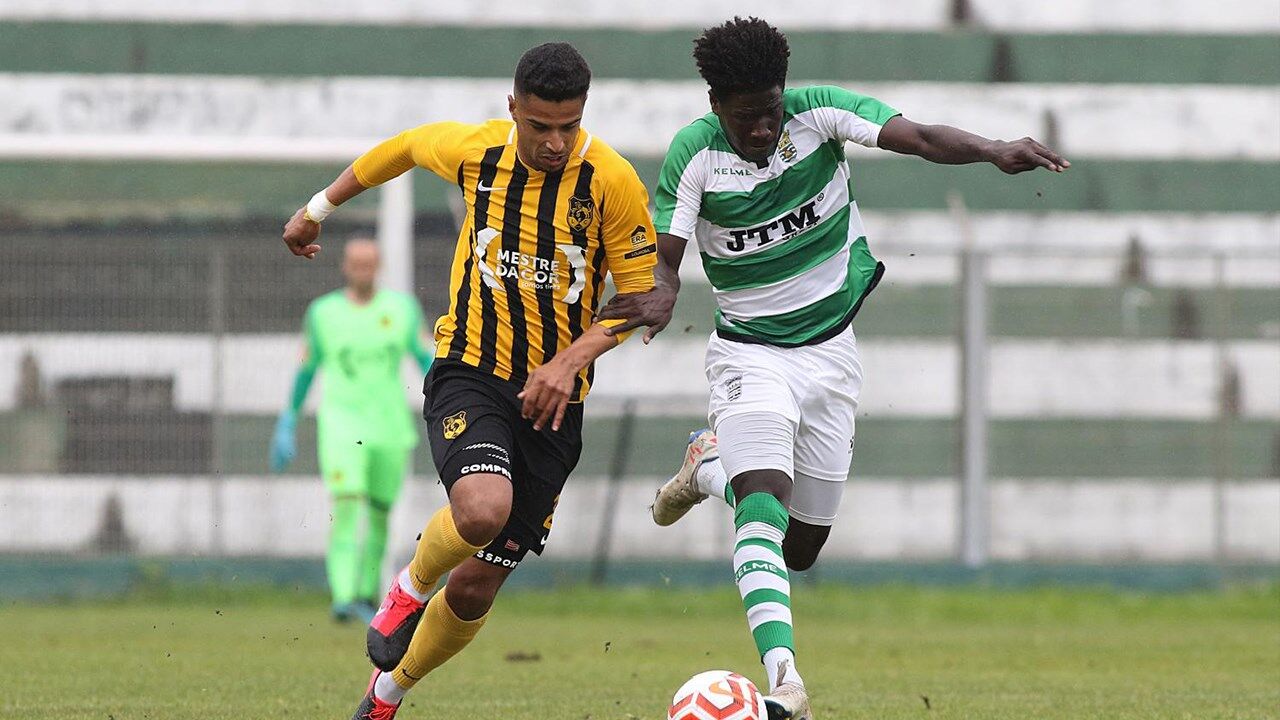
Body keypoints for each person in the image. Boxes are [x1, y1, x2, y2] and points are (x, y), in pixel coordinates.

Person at [599, 17, 1069, 720]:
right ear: (715, 104)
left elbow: (919, 137)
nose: (762, 128)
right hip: (751, 354)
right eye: (745, 116)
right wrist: (661, 293)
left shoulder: (816, 112)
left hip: (831, 354)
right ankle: (786, 681)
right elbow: (666, 258)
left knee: (800, 548)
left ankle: (707, 468)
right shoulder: (693, 155)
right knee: (763, 500)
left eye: (770, 110)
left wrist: (992, 149)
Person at [280, 42, 658, 720]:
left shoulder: (612, 182)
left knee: (478, 586)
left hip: (555, 404)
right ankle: (409, 586)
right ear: (513, 108)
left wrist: (568, 362)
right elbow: (401, 148)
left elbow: (639, 299)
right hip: (471, 371)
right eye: (539, 126)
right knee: (482, 511)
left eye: (568, 126)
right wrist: (318, 208)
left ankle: (385, 696)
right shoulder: (474, 152)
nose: (554, 142)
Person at [270, 239, 434, 623]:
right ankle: (342, 597)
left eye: (369, 263)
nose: (363, 270)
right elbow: (307, 367)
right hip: (342, 426)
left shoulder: (402, 310)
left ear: (379, 266)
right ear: (345, 266)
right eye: (356, 263)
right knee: (346, 506)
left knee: (379, 514)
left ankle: (364, 593)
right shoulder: (323, 313)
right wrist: (289, 418)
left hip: (390, 428)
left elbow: (427, 360)